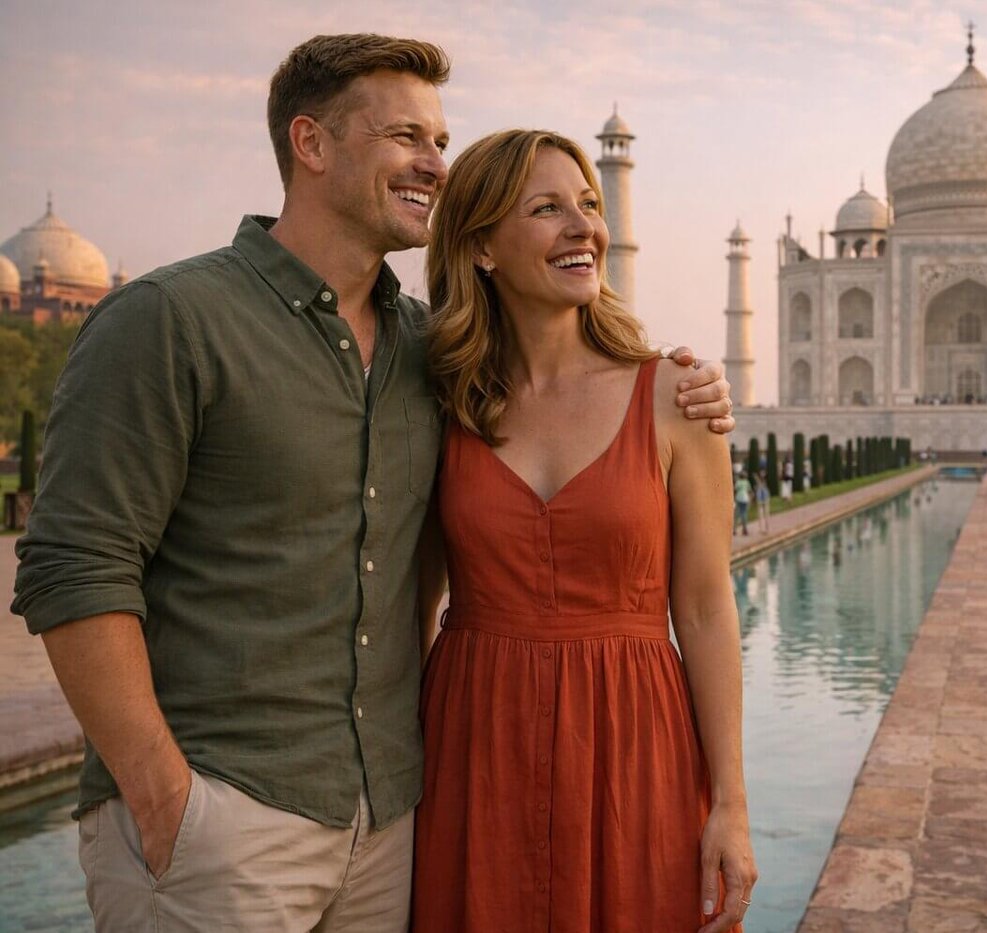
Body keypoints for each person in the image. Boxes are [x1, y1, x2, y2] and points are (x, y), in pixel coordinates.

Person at [11, 36, 734, 933]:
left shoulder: (430, 355)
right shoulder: (174, 319)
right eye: (405, 136)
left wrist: (684, 383)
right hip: (225, 818)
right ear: (311, 143)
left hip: (389, 824)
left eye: (441, 139)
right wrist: (164, 797)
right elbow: (74, 565)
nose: (436, 163)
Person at [413, 129, 756, 931]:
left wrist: (731, 802)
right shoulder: (440, 399)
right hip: (475, 746)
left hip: (633, 744)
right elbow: (414, 601)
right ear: (482, 248)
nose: (584, 228)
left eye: (590, 204)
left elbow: (706, 609)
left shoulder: (673, 395)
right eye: (546, 209)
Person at [733, 468, 753, 536]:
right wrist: (750, 499)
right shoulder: (746, 482)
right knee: (744, 514)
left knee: (736, 514)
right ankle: (744, 529)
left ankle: (735, 529)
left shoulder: (738, 482)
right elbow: (749, 491)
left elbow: (735, 490)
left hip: (738, 499)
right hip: (745, 499)